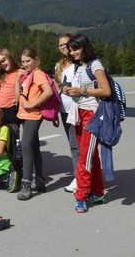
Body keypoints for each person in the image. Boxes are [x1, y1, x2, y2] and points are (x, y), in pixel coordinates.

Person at [62, 34, 111, 213]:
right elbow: (81, 90)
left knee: (85, 156)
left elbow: (106, 90)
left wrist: (81, 90)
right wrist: (70, 91)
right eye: (71, 49)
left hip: (92, 114)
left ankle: (81, 196)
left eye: (76, 49)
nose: (73, 53)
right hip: (78, 112)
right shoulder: (78, 66)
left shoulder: (95, 64)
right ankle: (97, 192)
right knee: (91, 155)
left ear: (84, 47)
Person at [16, 47, 53, 200]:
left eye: (28, 61)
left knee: (25, 146)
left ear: (36, 60)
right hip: (26, 114)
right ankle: (39, 180)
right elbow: (18, 97)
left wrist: (33, 104)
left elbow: (48, 91)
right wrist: (18, 81)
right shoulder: (28, 75)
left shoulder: (37, 74)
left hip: (33, 114)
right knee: (33, 146)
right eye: (23, 61)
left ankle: (26, 184)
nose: (25, 64)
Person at [54, 33, 79, 193]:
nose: (63, 46)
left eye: (66, 43)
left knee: (81, 145)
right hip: (65, 111)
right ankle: (80, 176)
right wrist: (55, 111)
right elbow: (57, 90)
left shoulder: (80, 63)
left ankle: (82, 177)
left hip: (80, 109)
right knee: (74, 145)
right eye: (60, 44)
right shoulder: (59, 66)